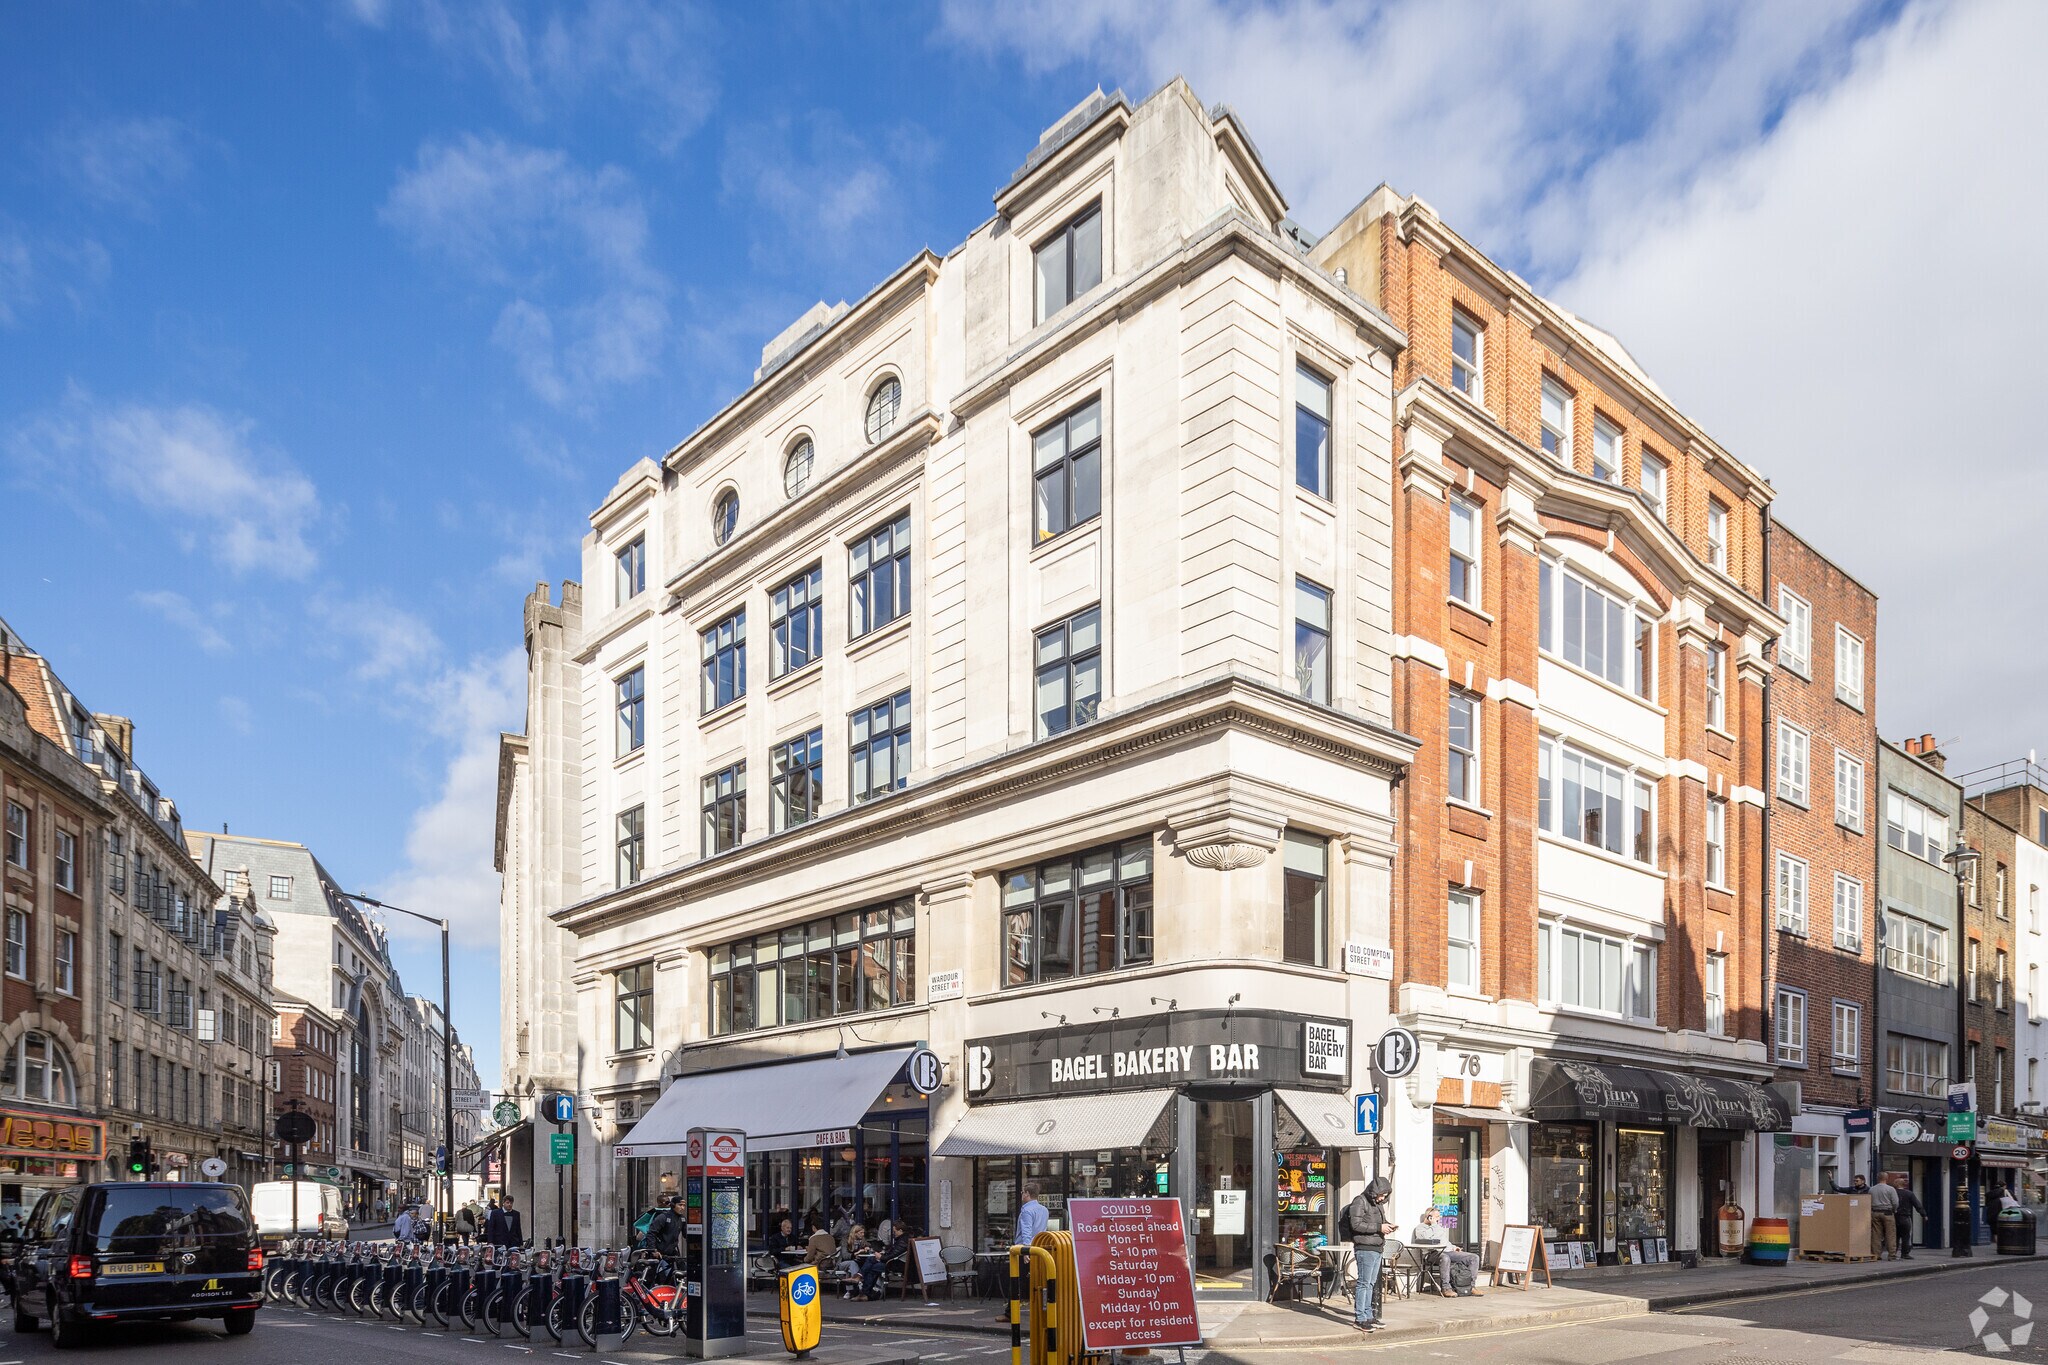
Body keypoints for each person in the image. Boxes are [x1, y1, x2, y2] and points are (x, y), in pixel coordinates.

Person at [1343, 1177, 1395, 1334]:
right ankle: (1360, 1319)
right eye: (1381, 1195)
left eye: (1385, 1195)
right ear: (1374, 1191)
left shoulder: (1377, 1205)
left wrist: (1388, 1226)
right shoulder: (1359, 1201)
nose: (1382, 1198)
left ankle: (1369, 1316)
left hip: (1377, 1247)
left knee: (1370, 1284)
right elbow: (1356, 1225)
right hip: (1365, 1248)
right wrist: (1379, 1227)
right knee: (1364, 1283)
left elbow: (1380, 1222)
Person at [1411, 1206, 1482, 1296]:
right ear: (1429, 1217)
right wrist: (1433, 1225)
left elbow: (1445, 1241)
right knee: (1445, 1258)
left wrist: (1453, 1247)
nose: (1439, 1218)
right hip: (1431, 1254)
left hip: (1447, 1251)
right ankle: (1446, 1288)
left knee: (1473, 1257)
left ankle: (1471, 1287)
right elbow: (1427, 1238)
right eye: (1437, 1217)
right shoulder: (1420, 1228)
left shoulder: (1438, 1227)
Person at [644, 1194, 684, 1261]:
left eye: (684, 1205)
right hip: (659, 1253)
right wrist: (653, 1250)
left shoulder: (682, 1219)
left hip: (672, 1252)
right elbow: (651, 1233)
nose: (682, 1208)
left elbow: (686, 1234)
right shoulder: (662, 1217)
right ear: (673, 1205)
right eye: (680, 1205)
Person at [1893, 1176, 1925, 1259]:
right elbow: (1917, 1205)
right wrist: (1923, 1214)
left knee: (1895, 1236)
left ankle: (1893, 1252)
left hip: (1894, 1216)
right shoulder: (1909, 1193)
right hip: (1905, 1217)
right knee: (1906, 1236)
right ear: (1904, 1185)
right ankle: (1905, 1253)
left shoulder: (1893, 1193)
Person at [1868, 1173, 1898, 1258]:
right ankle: (1892, 1254)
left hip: (1875, 1212)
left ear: (1878, 1178)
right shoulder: (1890, 1189)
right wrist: (1894, 1210)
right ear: (1887, 1178)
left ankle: (1876, 1254)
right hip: (1887, 1212)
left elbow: (1869, 1200)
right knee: (1890, 1234)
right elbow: (1895, 1202)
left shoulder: (1871, 1189)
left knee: (1876, 1234)